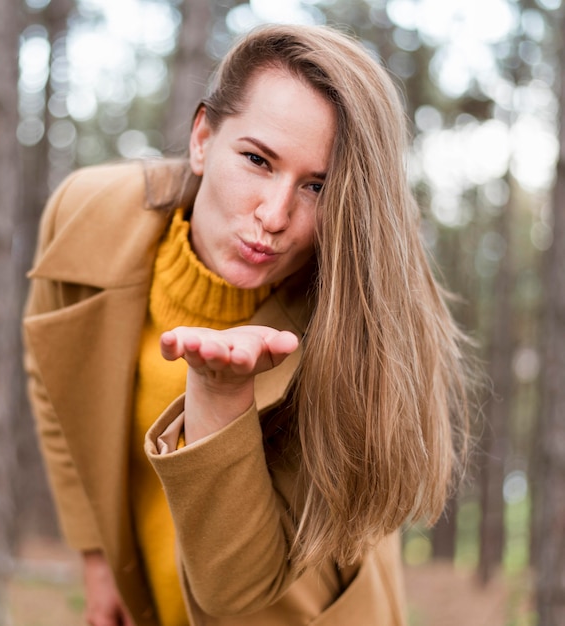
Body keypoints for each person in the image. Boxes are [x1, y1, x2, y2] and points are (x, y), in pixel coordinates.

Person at [23, 23, 472, 626]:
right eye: (258, 160)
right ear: (203, 137)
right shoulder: (87, 216)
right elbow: (56, 391)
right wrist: (97, 557)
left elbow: (237, 590)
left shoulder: (359, 331)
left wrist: (220, 395)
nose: (275, 214)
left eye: (317, 185)